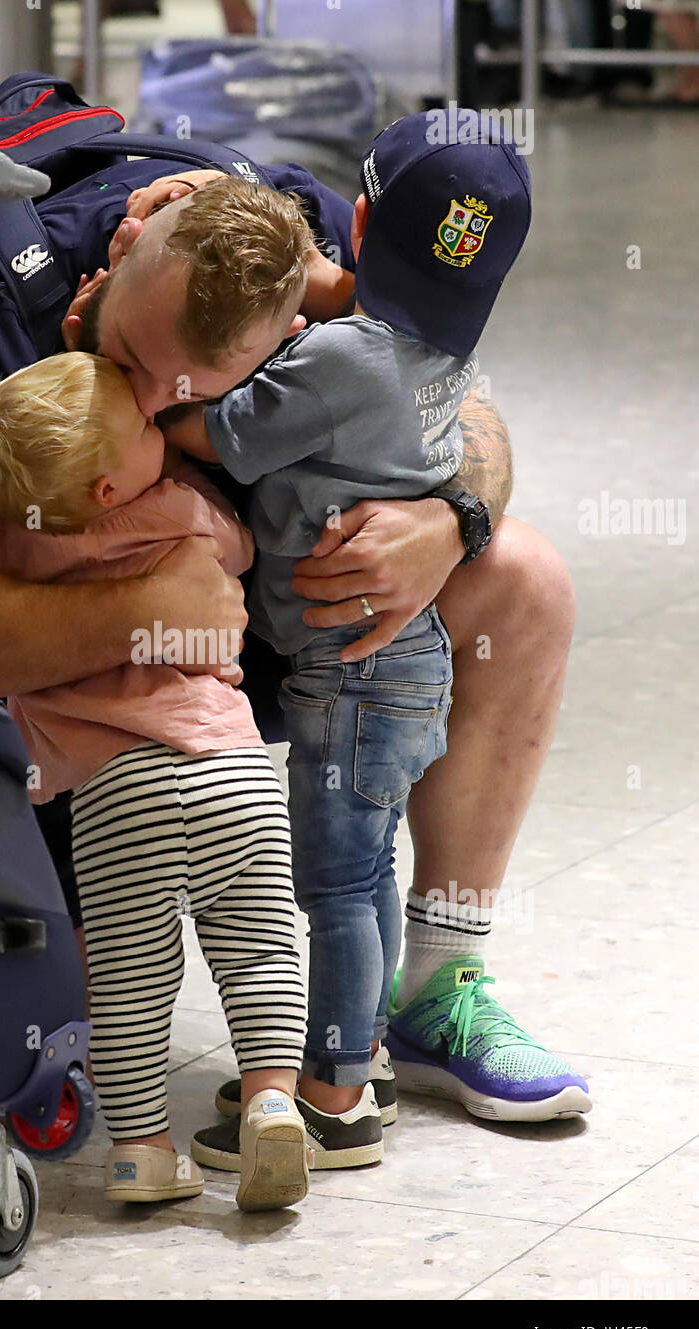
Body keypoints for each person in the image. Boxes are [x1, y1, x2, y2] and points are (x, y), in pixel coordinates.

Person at [0, 143, 578, 1126]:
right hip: (65, 691)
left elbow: (464, 414)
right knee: (76, 992)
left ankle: (435, 985)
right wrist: (138, 614)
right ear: (126, 239)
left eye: (191, 393)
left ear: (293, 317)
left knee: (522, 577)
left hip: (281, 620)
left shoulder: (297, 247)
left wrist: (449, 527)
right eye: (132, 366)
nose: (150, 408)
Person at [162, 115, 591, 1174]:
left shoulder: (344, 353)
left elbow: (219, 435)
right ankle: (360, 1053)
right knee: (363, 873)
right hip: (405, 669)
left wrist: (144, 391)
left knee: (338, 884)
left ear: (354, 223)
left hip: (339, 672)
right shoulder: (443, 348)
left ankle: (334, 1091)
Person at [0, 350, 311, 1212]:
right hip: (230, 768)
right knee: (261, 945)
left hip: (119, 799)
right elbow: (239, 548)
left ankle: (140, 1152)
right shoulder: (182, 512)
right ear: (109, 491)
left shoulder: (14, 546)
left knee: (127, 978)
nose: (159, 428)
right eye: (146, 429)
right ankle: (272, 1101)